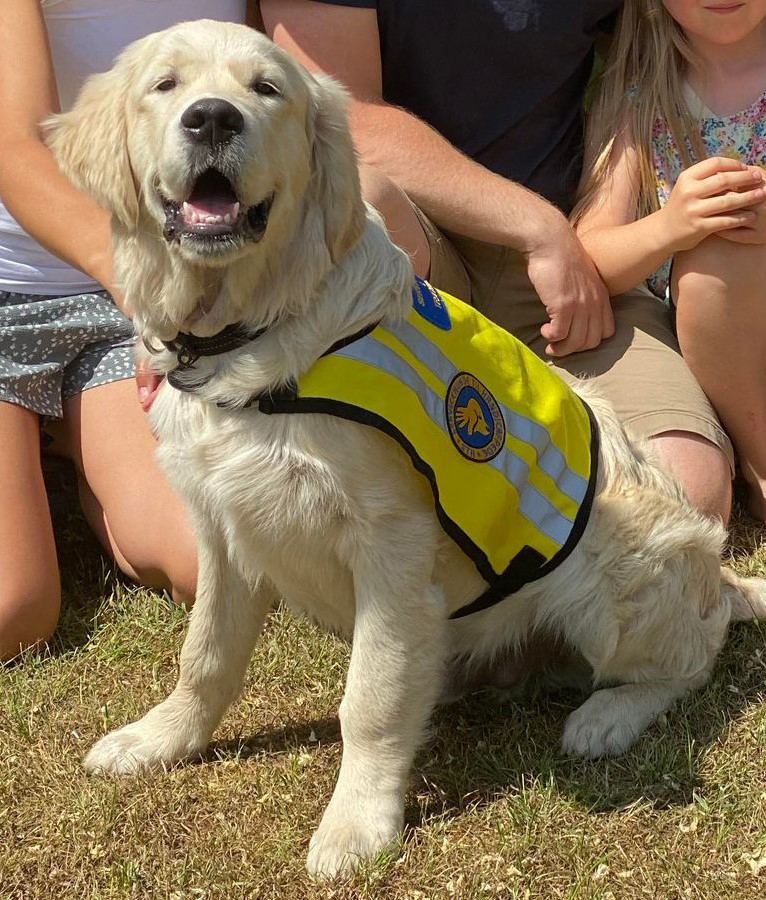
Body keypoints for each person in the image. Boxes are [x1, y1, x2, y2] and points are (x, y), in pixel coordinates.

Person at [260, 0, 735, 527]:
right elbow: (336, 112)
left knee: (688, 495)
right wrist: (534, 225)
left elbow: (670, 44)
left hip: (566, 286)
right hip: (417, 263)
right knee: (363, 196)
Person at [0, 0, 256, 661]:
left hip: (122, 306)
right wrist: (142, 290)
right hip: (62, 288)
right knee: (12, 609)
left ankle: (72, 440)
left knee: (208, 562)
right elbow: (17, 145)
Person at [572, 0, 766, 523]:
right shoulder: (642, 103)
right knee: (710, 264)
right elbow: (589, 259)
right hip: (714, 348)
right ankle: (759, 462)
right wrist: (671, 226)